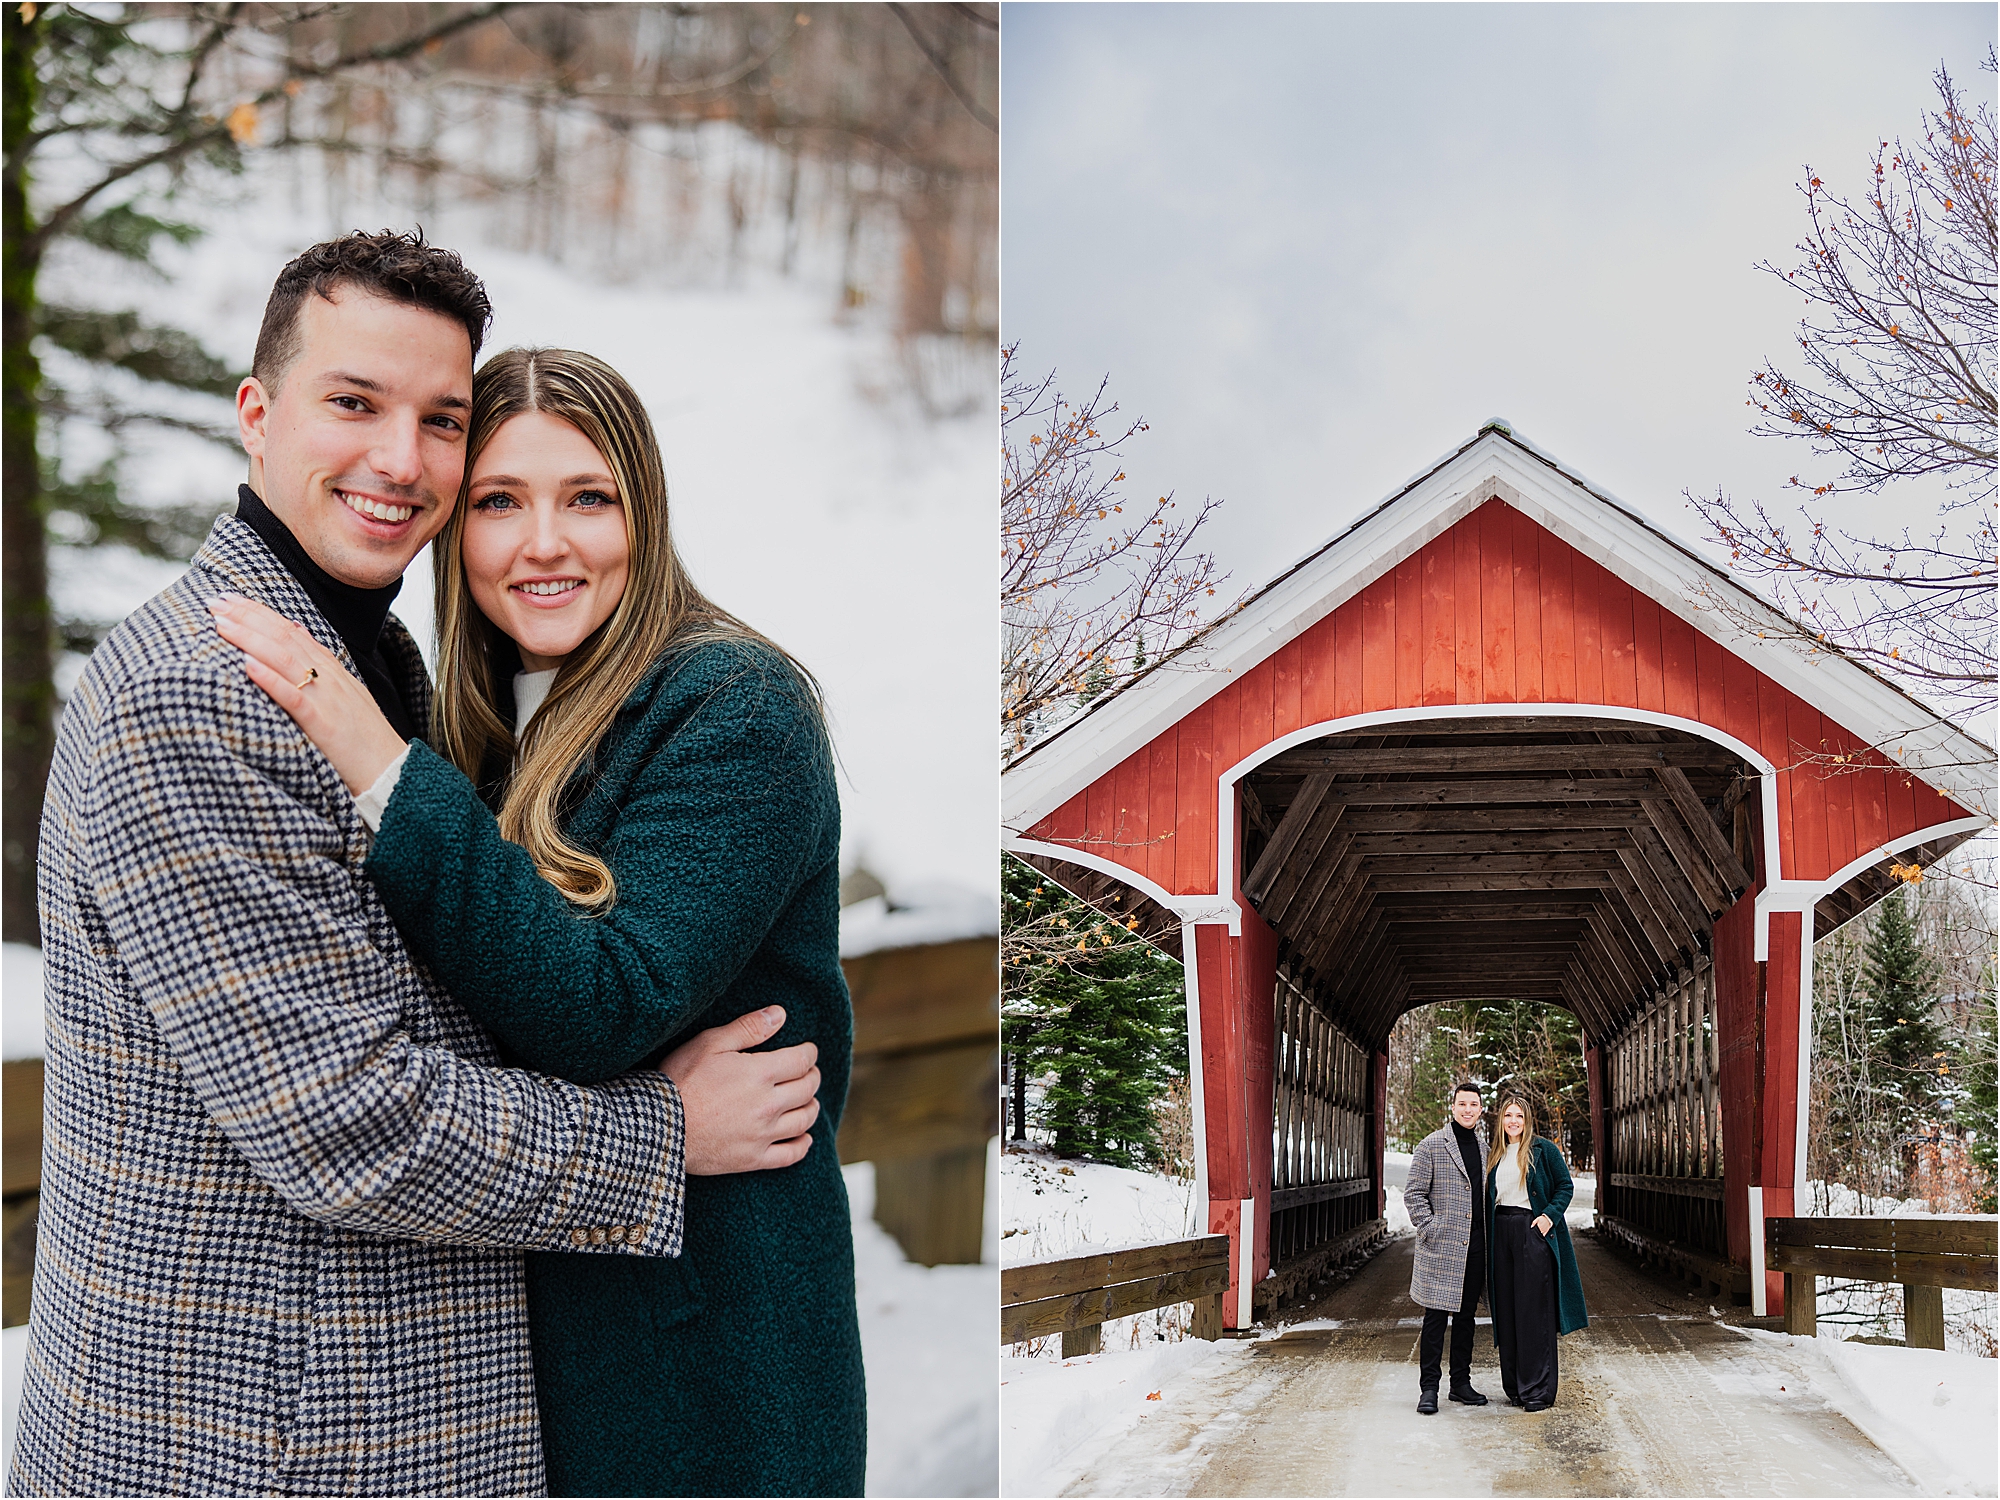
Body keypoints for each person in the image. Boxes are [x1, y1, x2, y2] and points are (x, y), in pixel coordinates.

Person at [9, 232, 818, 1499]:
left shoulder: (388, 680)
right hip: (262, 1440)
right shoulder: (200, 699)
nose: (400, 460)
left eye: (441, 420)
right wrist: (660, 1135)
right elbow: (348, 1120)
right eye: (353, 403)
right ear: (256, 415)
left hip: (373, 1417)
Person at [211, 345, 866, 1495]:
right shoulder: (474, 711)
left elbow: (602, 1003)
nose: (544, 543)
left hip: (700, 1355)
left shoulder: (734, 710)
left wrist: (373, 758)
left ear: (644, 514)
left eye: (589, 499)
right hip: (521, 1344)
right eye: (501, 502)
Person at [1483, 1094, 1588, 1411]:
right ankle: (1515, 1387)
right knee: (1507, 1309)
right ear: (1501, 1120)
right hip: (1501, 1233)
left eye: (1519, 1116)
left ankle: (1538, 1391)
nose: (1513, 1121)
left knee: (1533, 1313)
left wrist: (1548, 1217)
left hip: (1532, 1231)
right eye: (1508, 1116)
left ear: (1527, 1120)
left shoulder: (1544, 1150)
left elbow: (1565, 1186)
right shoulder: (1497, 1154)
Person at [1402, 1080, 1493, 1414]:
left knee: (1467, 1319)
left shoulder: (1485, 1149)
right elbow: (1413, 1194)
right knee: (1435, 1319)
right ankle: (1429, 1389)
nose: (1468, 1109)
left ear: (1480, 1110)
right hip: (1442, 1249)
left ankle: (1460, 1384)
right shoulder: (1432, 1145)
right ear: (1452, 1107)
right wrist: (1431, 1227)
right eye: (1462, 1104)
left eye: (1474, 1104)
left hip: (1475, 1250)